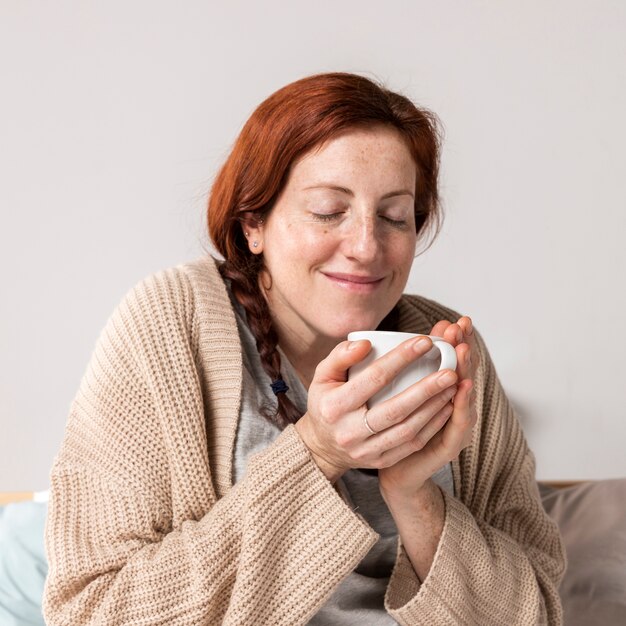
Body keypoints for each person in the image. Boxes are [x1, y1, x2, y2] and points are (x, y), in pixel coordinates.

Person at [43, 72, 566, 625]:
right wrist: (319, 452)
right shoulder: (171, 324)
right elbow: (90, 611)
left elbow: (538, 614)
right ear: (253, 225)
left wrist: (416, 497)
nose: (367, 247)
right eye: (326, 210)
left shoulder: (448, 349)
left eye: (394, 217)